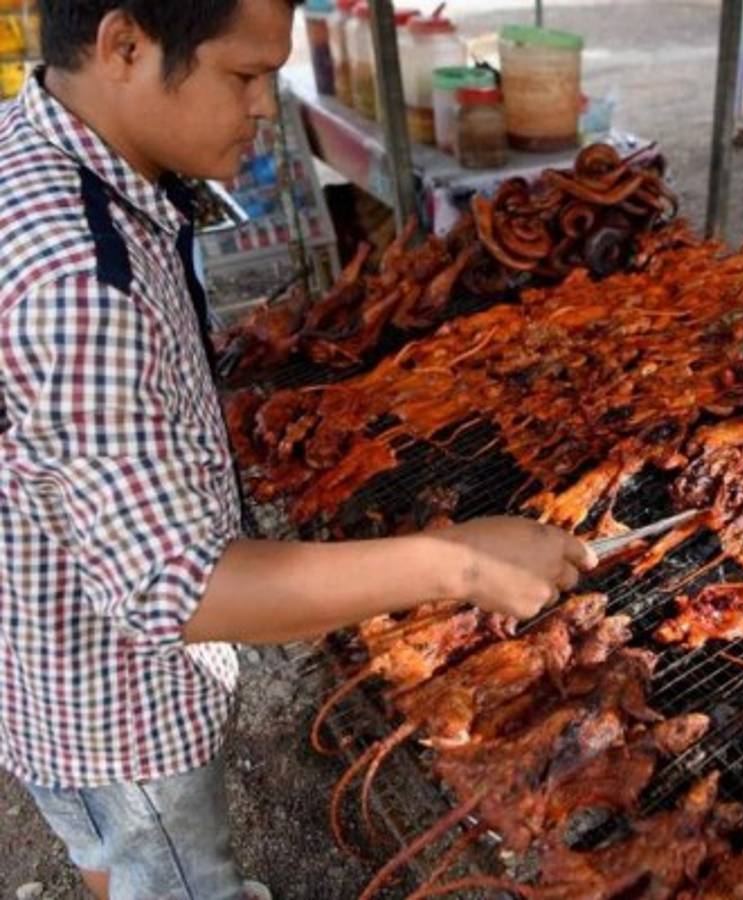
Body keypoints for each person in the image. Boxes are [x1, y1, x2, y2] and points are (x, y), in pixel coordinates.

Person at [0, 2, 595, 898]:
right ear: (125, 46)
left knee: (110, 849)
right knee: (164, 864)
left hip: (38, 640)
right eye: (244, 76)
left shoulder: (40, 145)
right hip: (110, 702)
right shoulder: (81, 284)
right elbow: (177, 588)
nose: (266, 108)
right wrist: (459, 564)